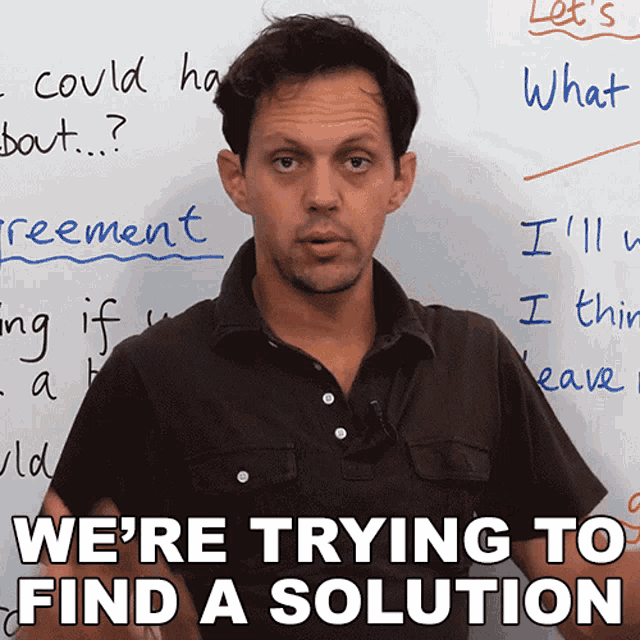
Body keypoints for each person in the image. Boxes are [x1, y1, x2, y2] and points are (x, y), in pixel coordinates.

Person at [18, 13, 640, 640]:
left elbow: (587, 589)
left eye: (356, 161)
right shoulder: (152, 373)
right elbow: (68, 601)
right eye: (287, 161)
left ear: (399, 179)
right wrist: (98, 618)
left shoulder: (472, 357)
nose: (322, 195)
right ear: (238, 179)